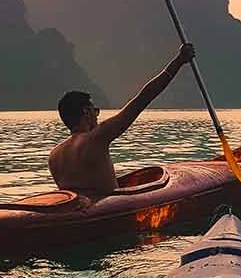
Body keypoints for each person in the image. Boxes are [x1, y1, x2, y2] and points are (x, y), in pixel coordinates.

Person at [50, 43, 196, 196]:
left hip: (81, 215)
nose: (97, 117)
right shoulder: (97, 137)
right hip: (111, 213)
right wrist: (178, 61)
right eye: (95, 111)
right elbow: (143, 98)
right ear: (86, 112)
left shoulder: (54, 156)